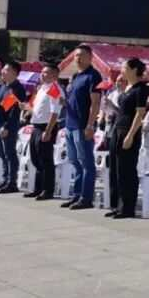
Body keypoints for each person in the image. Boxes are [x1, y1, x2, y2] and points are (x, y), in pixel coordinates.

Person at [105, 58, 149, 219]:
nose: (122, 70)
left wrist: (130, 135)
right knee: (115, 168)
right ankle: (116, 204)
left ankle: (127, 207)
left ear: (133, 70)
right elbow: (123, 110)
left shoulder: (141, 89)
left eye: (124, 67)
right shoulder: (128, 88)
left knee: (126, 170)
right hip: (117, 128)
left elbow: (140, 113)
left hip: (128, 131)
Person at [63, 44, 103, 210]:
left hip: (82, 125)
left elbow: (95, 103)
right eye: (76, 55)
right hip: (69, 124)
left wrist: (90, 125)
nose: (78, 58)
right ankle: (77, 194)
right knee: (74, 161)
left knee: (86, 163)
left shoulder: (93, 76)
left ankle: (86, 198)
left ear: (90, 57)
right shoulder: (74, 76)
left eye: (81, 55)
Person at [0, 62, 27, 194]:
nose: (2, 72)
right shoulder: (4, 86)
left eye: (6, 70)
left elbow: (14, 111)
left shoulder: (17, 88)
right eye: (3, 70)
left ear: (14, 72)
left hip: (8, 126)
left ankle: (12, 182)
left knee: (10, 154)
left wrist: (6, 126)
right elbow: (2, 107)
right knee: (2, 154)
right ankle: (5, 180)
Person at [25, 63, 62, 201]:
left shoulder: (54, 89)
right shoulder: (41, 88)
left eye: (46, 72)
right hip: (36, 126)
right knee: (35, 158)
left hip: (46, 126)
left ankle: (47, 190)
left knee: (46, 159)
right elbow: (38, 109)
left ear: (55, 75)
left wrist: (48, 130)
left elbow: (55, 111)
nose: (42, 74)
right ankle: (38, 188)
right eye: (42, 72)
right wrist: (27, 109)